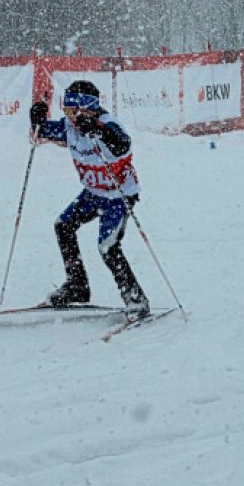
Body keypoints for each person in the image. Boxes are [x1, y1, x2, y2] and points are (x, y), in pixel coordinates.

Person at [29, 80, 150, 317]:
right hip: (94, 194)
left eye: (73, 111)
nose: (70, 117)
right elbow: (40, 132)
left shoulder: (108, 125)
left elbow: (122, 144)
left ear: (88, 108)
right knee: (63, 226)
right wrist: (37, 119)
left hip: (118, 196)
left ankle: (136, 300)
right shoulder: (69, 128)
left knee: (107, 247)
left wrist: (96, 128)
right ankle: (77, 286)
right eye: (66, 111)